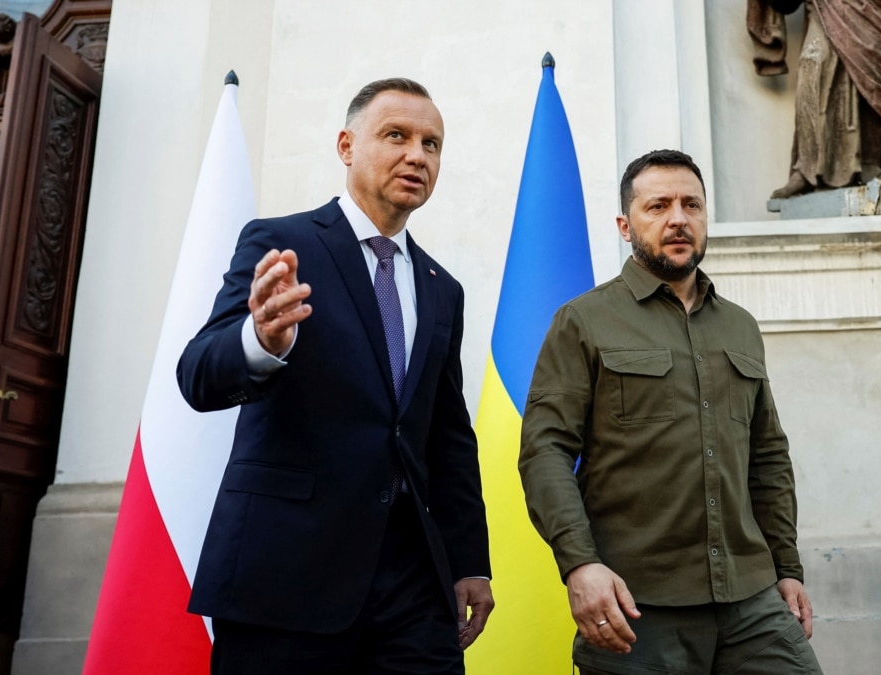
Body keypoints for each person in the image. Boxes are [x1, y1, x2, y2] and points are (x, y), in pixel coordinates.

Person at [177, 77, 493, 674]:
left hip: (413, 584)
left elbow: (447, 437)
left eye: (432, 144)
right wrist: (261, 341)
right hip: (286, 574)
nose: (416, 155)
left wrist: (469, 561)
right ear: (347, 146)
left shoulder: (441, 288)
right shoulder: (281, 242)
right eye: (395, 135)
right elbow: (197, 373)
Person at [519, 149, 823, 674]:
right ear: (625, 224)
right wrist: (580, 565)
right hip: (637, 606)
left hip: (750, 599)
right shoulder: (583, 321)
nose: (678, 219)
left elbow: (768, 457)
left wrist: (787, 568)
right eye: (657, 206)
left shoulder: (740, 327)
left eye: (691, 205)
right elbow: (545, 452)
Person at [747, 0, 881, 198]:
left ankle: (869, 163)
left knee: (871, 74)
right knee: (813, 64)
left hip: (878, 8)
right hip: (825, 6)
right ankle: (805, 168)